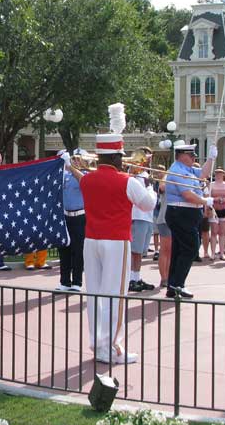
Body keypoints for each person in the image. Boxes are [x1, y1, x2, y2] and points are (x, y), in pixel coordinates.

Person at [70, 125, 156, 364]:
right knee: (115, 296)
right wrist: (150, 185)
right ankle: (112, 347)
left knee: (95, 294)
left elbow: (85, 180)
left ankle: (98, 344)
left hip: (92, 240)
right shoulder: (127, 181)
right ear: (118, 156)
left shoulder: (87, 179)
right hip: (116, 241)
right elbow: (148, 205)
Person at [164, 142, 217, 298]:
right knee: (191, 249)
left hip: (187, 213)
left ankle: (174, 286)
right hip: (181, 212)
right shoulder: (178, 171)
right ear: (181, 156)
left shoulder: (187, 169)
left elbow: (203, 174)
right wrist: (205, 201)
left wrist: (211, 159)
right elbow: (187, 195)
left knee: (180, 250)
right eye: (191, 155)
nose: (194, 157)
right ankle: (178, 284)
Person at [56, 149, 86, 292]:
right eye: (74, 158)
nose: (75, 161)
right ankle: (64, 281)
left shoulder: (85, 174)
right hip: (65, 216)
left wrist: (71, 167)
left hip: (79, 216)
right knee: (64, 249)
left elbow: (83, 180)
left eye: (78, 159)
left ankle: (77, 282)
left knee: (78, 251)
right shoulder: (66, 175)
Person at [128, 160, 156, 292]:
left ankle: (136, 277)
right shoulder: (133, 176)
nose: (147, 162)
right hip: (137, 216)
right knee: (135, 251)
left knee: (140, 251)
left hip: (147, 216)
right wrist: (150, 190)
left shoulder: (145, 175)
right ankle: (131, 279)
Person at [209, 168, 225, 260]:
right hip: (214, 210)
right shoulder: (211, 185)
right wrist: (215, 199)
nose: (218, 175)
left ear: (223, 175)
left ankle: (222, 253)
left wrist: (223, 200)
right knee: (214, 232)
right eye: (217, 173)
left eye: (220, 173)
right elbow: (208, 197)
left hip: (224, 209)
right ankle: (213, 253)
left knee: (222, 233)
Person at [155, 168, 171, 288]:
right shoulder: (167, 178)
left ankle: (170, 276)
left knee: (172, 251)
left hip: (177, 219)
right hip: (165, 218)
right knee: (165, 249)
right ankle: (164, 278)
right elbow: (162, 187)